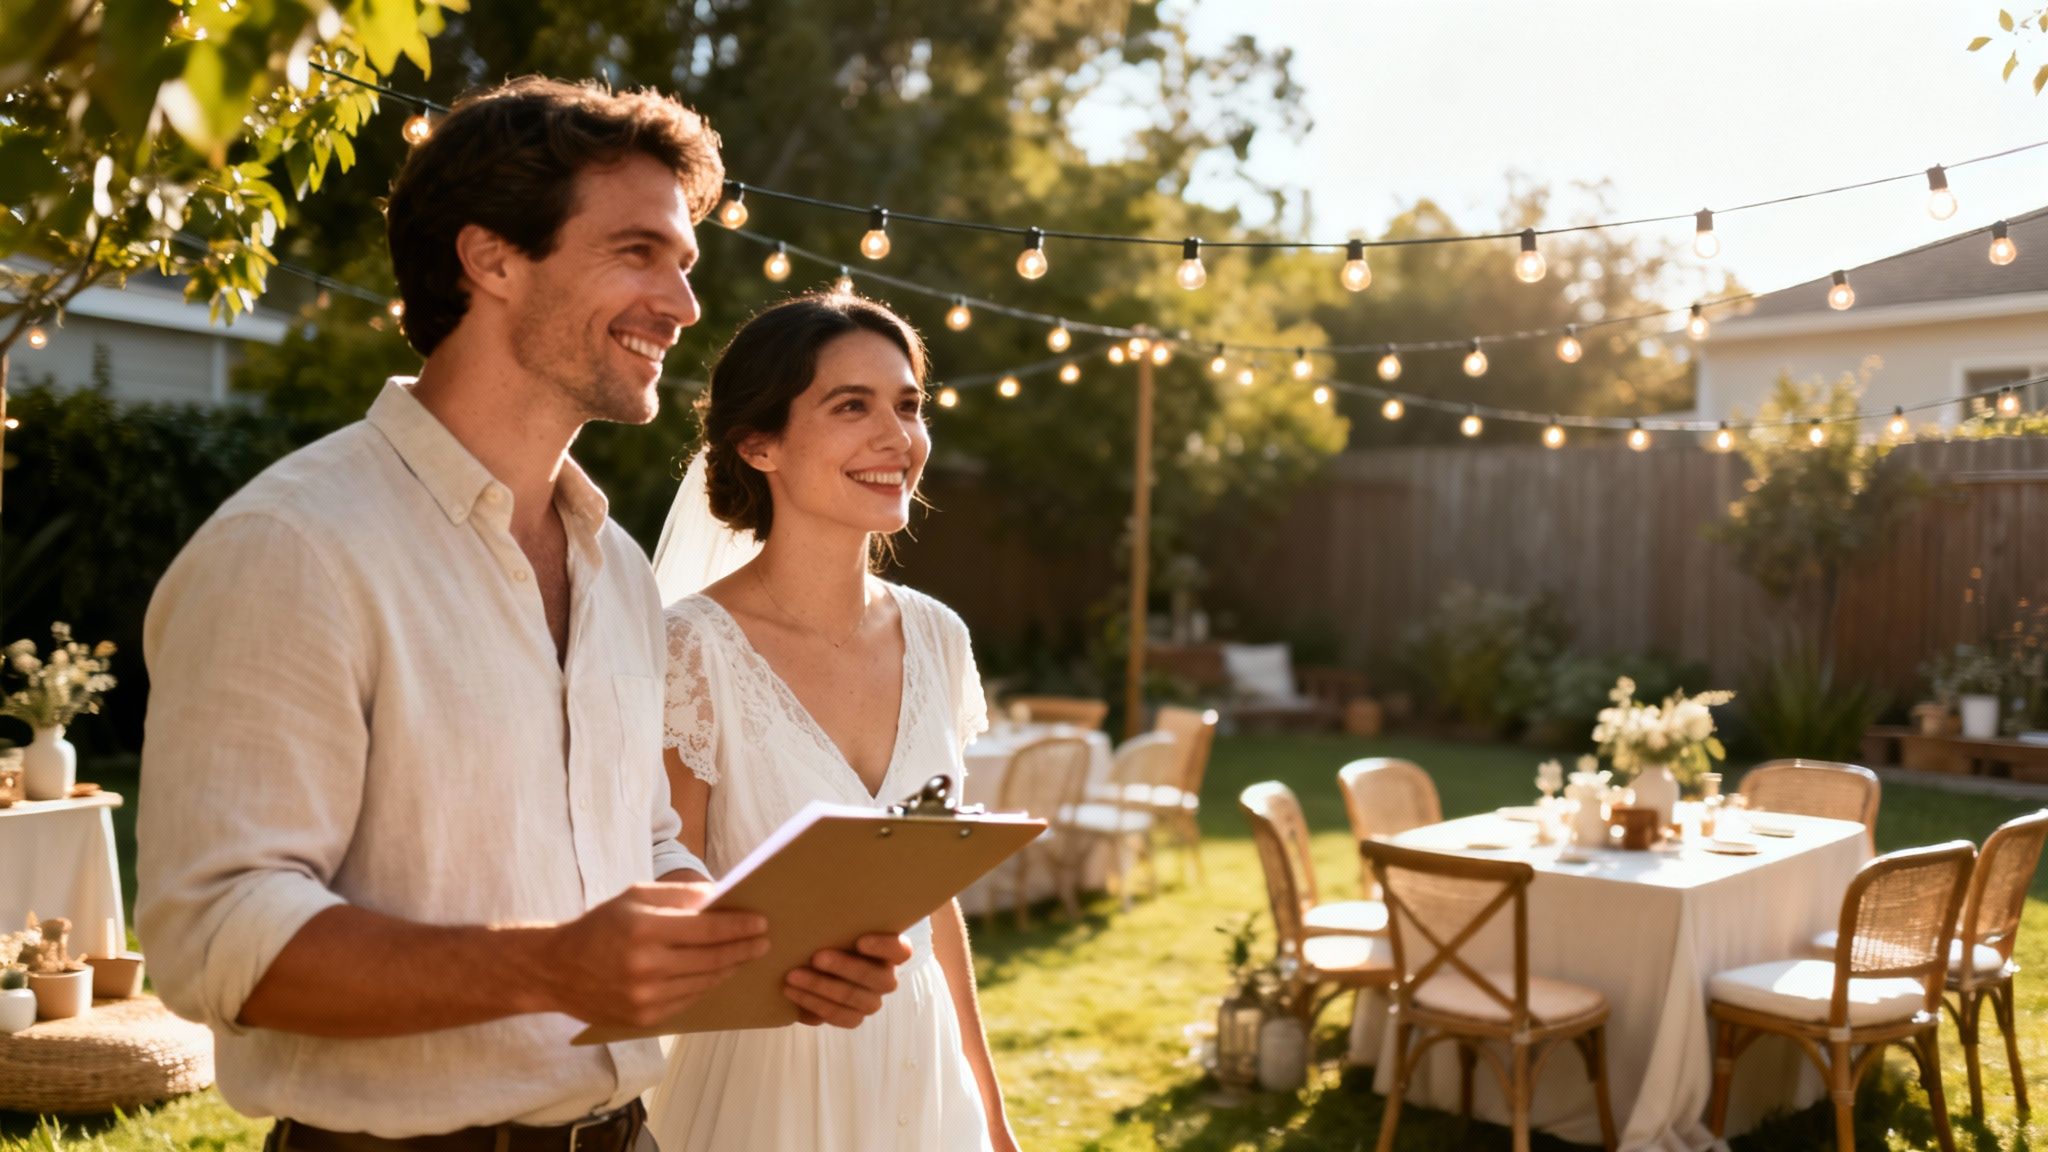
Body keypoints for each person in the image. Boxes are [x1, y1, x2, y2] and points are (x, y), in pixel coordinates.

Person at [135, 77, 909, 1150]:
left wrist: (763, 948)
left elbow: (643, 840)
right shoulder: (293, 546)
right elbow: (213, 935)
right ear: (491, 258)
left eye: (684, 263)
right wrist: (546, 966)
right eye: (637, 252)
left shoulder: (618, 570)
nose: (684, 306)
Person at [643, 292, 1018, 1151]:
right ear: (759, 444)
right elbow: (668, 905)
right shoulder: (691, 650)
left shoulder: (939, 637)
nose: (899, 438)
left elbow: (934, 903)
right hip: (763, 1085)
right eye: (853, 406)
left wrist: (990, 1110)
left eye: (908, 406)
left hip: (921, 1071)